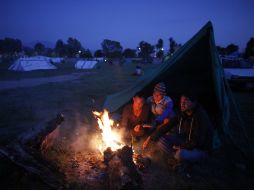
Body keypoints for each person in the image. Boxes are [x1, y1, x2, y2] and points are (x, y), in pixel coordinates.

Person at [143, 93, 214, 164]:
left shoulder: (200, 117)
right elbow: (167, 126)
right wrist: (150, 138)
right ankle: (174, 159)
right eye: (181, 101)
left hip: (200, 149)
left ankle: (176, 160)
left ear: (194, 102)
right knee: (159, 138)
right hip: (185, 142)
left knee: (180, 153)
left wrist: (181, 147)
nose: (182, 104)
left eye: (186, 101)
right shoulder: (183, 113)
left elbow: (197, 142)